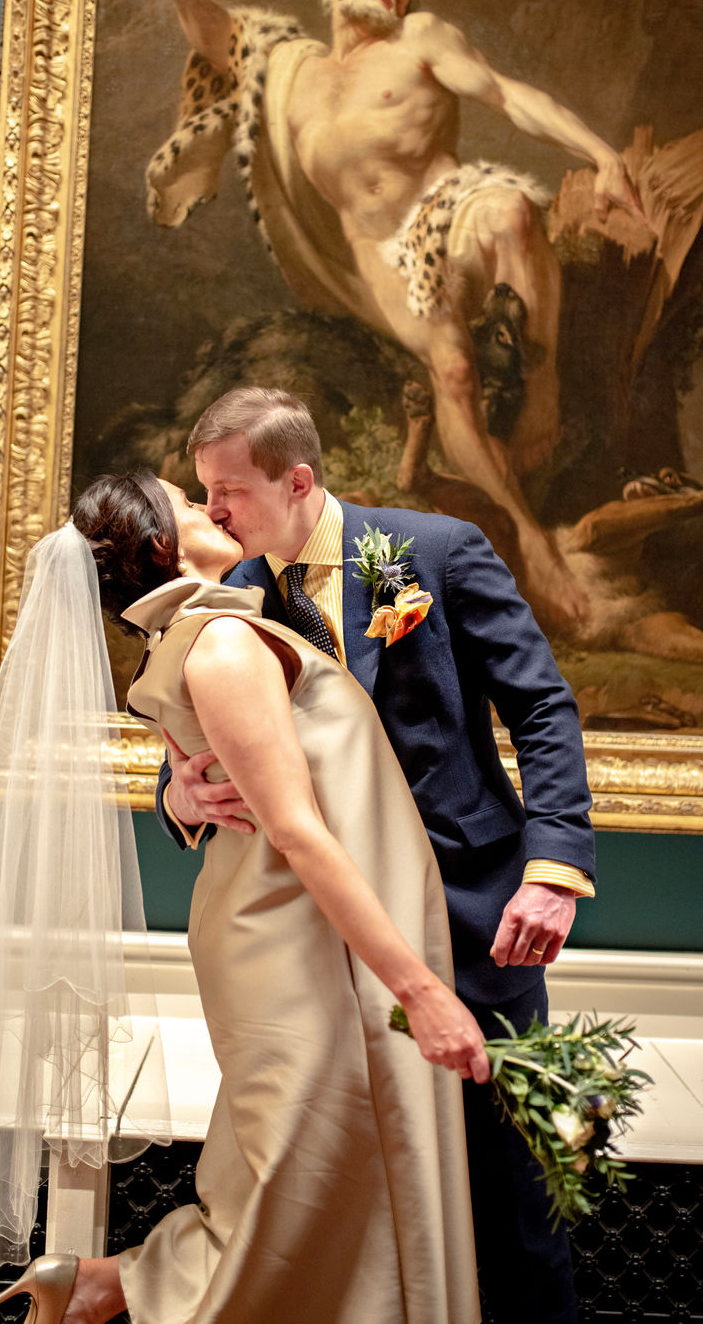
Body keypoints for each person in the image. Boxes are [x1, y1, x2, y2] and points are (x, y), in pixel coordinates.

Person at [0, 469, 488, 1323]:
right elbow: (297, 830)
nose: (214, 509)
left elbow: (232, 784)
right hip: (290, 934)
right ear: (161, 546)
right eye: (190, 502)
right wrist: (421, 992)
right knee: (299, 1170)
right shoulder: (221, 643)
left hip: (286, 925)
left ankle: (106, 1283)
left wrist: (180, 794)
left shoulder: (193, 636)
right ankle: (134, 1282)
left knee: (319, 1171)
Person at [158, 387, 597, 1324]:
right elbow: (201, 770)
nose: (217, 512)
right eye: (207, 493)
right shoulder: (231, 609)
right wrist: (181, 797)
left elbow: (543, 710)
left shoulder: (432, 552)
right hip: (320, 945)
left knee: (513, 1198)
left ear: (300, 479)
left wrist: (552, 870)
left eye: (229, 491)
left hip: (473, 918)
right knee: (359, 1199)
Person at [147, 0, 646, 629]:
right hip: (383, 254)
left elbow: (506, 96)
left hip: (451, 207)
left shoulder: (419, 40)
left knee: (508, 211)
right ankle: (528, 534)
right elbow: (213, 34)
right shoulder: (291, 70)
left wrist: (601, 155)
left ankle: (541, 382)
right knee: (453, 374)